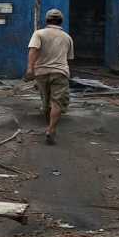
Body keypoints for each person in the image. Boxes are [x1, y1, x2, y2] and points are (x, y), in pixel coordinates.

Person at [26, 9, 74, 144]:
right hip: (60, 73)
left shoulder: (39, 33)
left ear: (47, 20)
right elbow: (69, 58)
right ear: (61, 21)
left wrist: (30, 69)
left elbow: (33, 50)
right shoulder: (67, 37)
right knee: (57, 102)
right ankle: (51, 129)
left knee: (46, 102)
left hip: (41, 72)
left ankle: (48, 125)